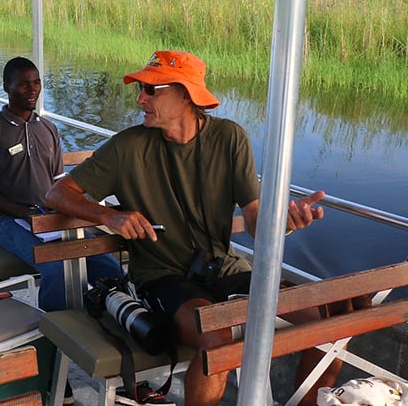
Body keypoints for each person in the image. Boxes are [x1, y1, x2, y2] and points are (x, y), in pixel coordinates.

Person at [45, 50, 340, 406]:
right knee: (216, 337)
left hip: (224, 268)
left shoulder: (230, 138)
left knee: (326, 322)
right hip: (161, 277)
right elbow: (56, 193)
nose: (140, 99)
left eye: (152, 90)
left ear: (186, 94)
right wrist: (107, 216)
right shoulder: (128, 147)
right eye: (140, 89)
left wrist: (284, 226)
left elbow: (255, 221)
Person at [0, 56, 125, 313]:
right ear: (7, 86)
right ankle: (58, 333)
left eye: (37, 83)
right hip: (11, 222)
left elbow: (59, 183)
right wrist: (24, 213)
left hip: (53, 217)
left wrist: (73, 208)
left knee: (107, 264)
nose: (33, 90)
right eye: (24, 84)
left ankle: (111, 321)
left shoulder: (48, 129)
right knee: (58, 269)